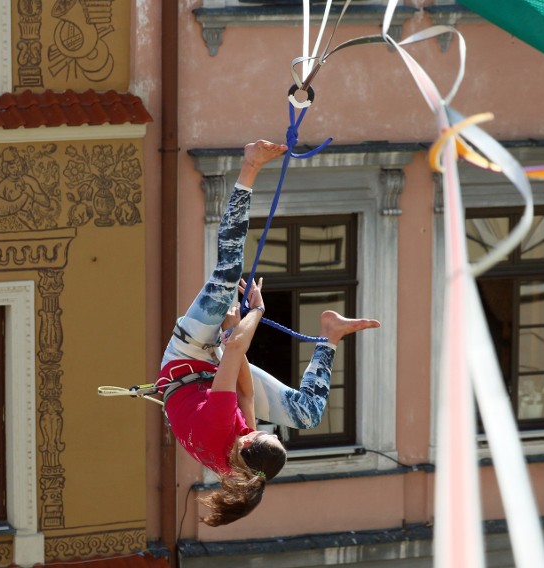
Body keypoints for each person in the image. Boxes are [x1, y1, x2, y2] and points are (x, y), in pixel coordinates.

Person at [159, 140, 380, 527]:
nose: (261, 429)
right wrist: (232, 328)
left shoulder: (221, 431)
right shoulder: (246, 462)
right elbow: (243, 387)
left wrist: (255, 311)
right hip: (216, 372)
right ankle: (331, 335)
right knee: (307, 414)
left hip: (187, 356)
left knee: (228, 273)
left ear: (246, 444)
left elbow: (232, 353)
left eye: (262, 434)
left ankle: (250, 166)